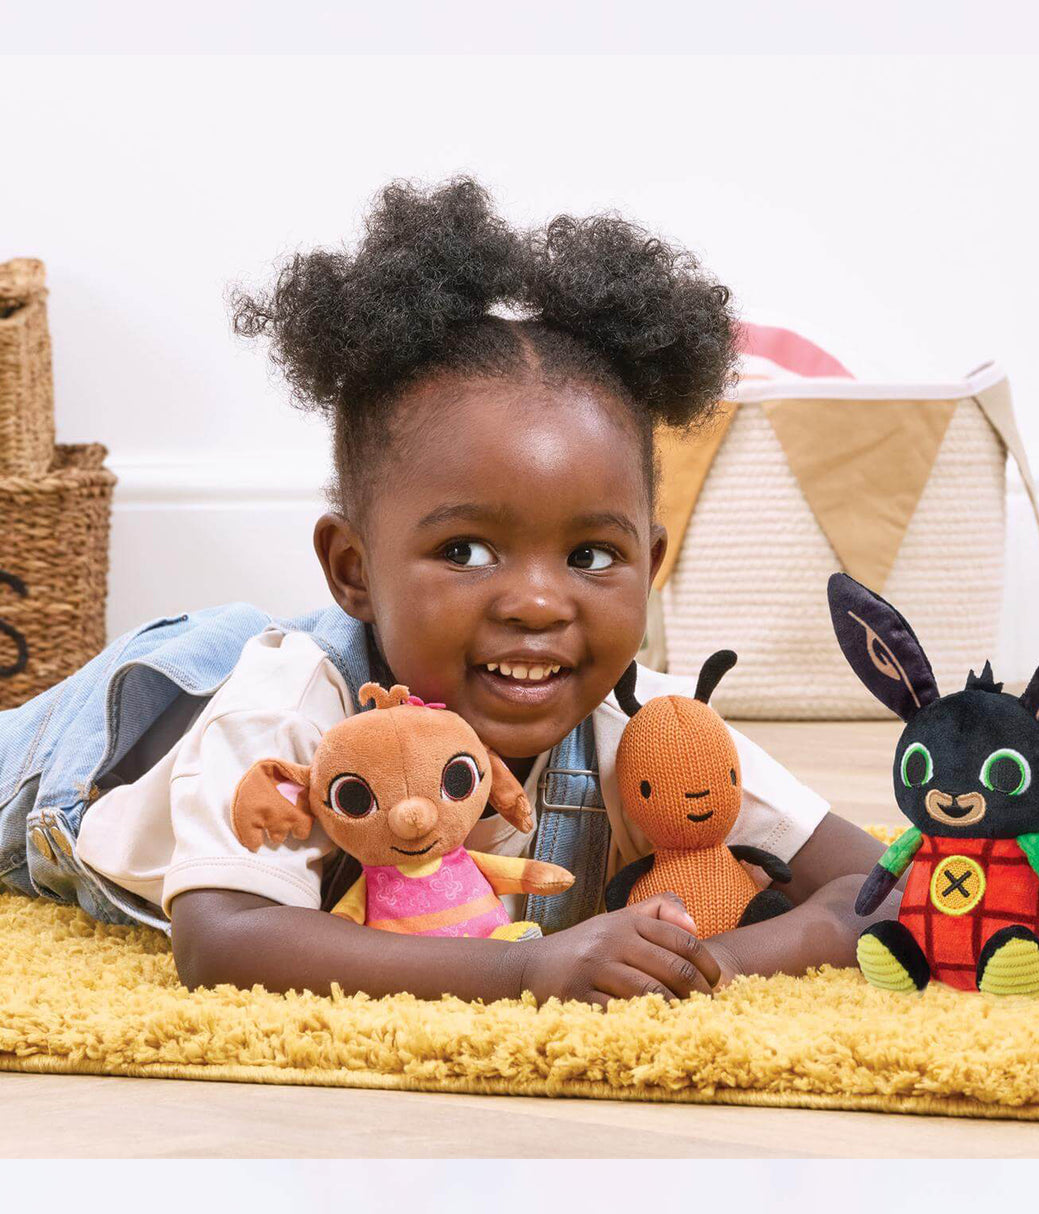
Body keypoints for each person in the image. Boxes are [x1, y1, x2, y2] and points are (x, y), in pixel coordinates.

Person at [0, 178, 890, 1005]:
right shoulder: (292, 712)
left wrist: (731, 956)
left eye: (590, 555)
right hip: (100, 753)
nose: (538, 602)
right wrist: (523, 968)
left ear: (650, 564)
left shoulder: (648, 730)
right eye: (467, 550)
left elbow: (885, 882)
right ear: (353, 569)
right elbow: (227, 941)